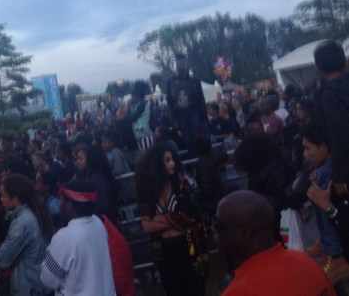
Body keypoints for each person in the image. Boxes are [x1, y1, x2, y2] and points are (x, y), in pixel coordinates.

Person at [215, 190, 335, 296]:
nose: (212, 229)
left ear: (247, 232)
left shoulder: (240, 291)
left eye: (218, 225)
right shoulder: (308, 263)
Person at [135, 144, 208, 296]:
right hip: (165, 251)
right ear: (156, 164)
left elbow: (190, 217)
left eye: (173, 159)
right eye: (167, 160)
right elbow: (145, 225)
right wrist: (175, 218)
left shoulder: (181, 185)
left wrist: (157, 221)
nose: (173, 163)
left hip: (187, 248)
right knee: (172, 290)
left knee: (194, 289)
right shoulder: (148, 192)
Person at [41, 178, 116, 296]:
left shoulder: (64, 237)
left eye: (61, 200)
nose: (59, 204)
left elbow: (48, 280)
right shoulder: (98, 223)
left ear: (69, 205)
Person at [301, 122, 349, 282]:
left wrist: (328, 208)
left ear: (323, 146)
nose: (305, 154)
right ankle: (327, 244)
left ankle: (334, 254)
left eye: (308, 148)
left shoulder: (329, 174)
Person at [0, 174, 52, 296]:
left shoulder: (21, 224)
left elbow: (2, 259)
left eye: (4, 196)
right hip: (40, 282)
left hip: (27, 286)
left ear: (15, 199)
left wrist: (15, 255)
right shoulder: (35, 211)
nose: (1, 199)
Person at [313, 40, 349, 199]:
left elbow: (339, 134)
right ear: (344, 61)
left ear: (317, 67)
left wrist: (340, 175)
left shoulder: (330, 95)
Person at [166, 54, 208, 158]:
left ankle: (202, 159)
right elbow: (169, 102)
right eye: (180, 65)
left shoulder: (195, 80)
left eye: (184, 64)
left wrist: (205, 119)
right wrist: (173, 120)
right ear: (177, 67)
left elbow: (201, 99)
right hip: (180, 114)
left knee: (198, 136)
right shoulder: (170, 82)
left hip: (194, 111)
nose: (183, 67)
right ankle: (194, 162)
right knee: (188, 140)